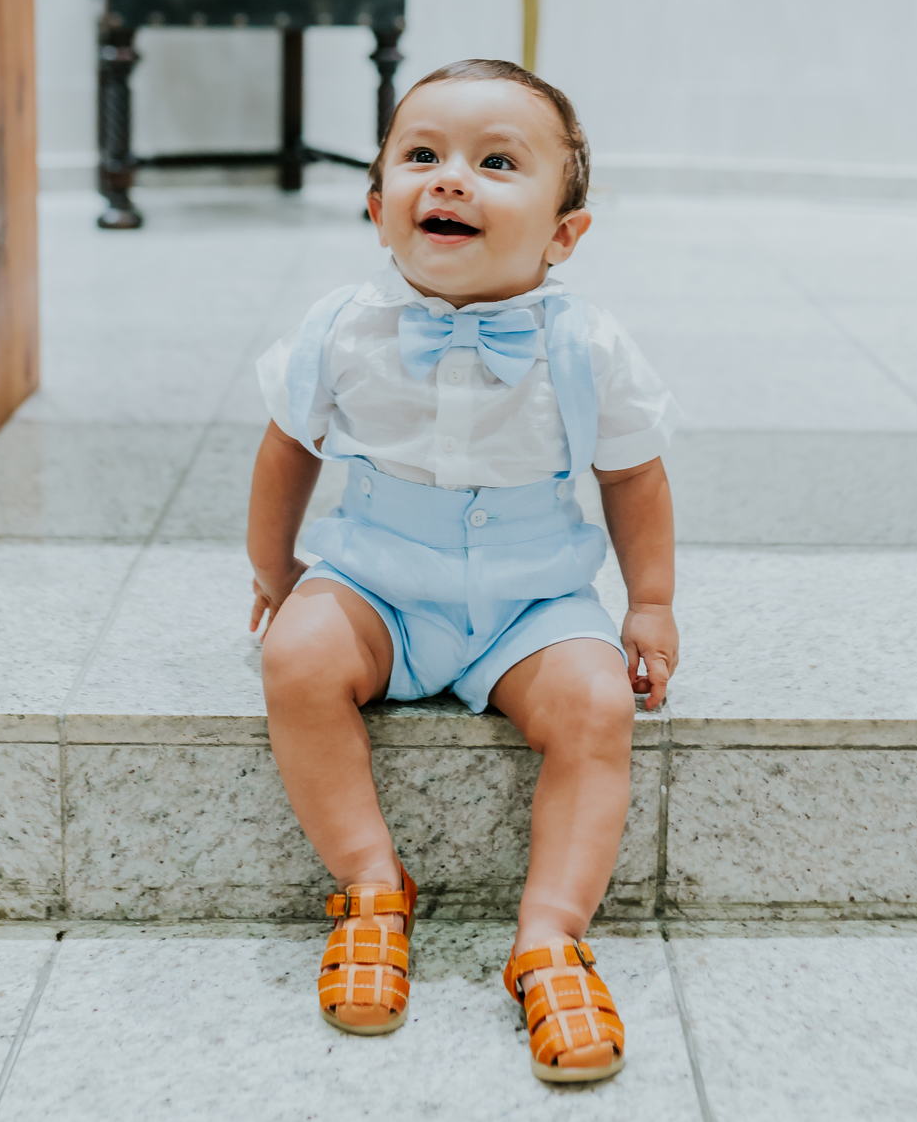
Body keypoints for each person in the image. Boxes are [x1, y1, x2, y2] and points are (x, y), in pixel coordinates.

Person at [247, 58, 679, 1084]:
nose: (449, 179)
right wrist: (275, 572)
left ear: (564, 232)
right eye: (421, 155)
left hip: (533, 598)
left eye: (496, 162)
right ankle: (368, 880)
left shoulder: (590, 343)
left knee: (593, 710)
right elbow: (285, 450)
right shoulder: (343, 328)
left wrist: (649, 599)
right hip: (377, 580)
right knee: (299, 656)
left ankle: (549, 932)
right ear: (376, 204)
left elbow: (633, 475)